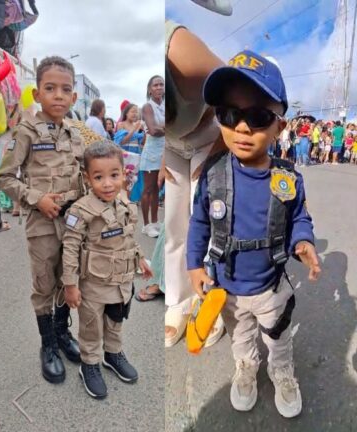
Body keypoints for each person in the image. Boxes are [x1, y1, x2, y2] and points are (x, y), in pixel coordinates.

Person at [189, 49, 321, 418]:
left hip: (270, 286)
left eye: (258, 116)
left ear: (279, 125)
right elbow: (199, 222)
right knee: (241, 338)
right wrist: (193, 266)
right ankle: (246, 369)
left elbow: (298, 217)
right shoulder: (212, 175)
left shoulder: (287, 177)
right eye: (229, 115)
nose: (243, 128)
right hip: (226, 286)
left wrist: (304, 242)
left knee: (277, 338)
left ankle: (281, 372)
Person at [0, 56, 84, 384]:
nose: (58, 96)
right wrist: (37, 199)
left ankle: (62, 333)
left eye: (65, 90)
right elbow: (4, 177)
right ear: (37, 94)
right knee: (45, 284)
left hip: (72, 224)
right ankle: (47, 345)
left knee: (67, 278)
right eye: (50, 88)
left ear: (74, 98)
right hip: (42, 224)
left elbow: (82, 177)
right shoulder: (27, 130)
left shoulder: (75, 133)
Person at [62, 141, 153, 399]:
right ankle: (89, 364)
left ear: (124, 174)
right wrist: (70, 285)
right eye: (99, 177)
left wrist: (141, 259)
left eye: (114, 175)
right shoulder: (81, 210)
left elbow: (128, 239)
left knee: (115, 321)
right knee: (91, 327)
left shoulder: (124, 206)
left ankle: (112, 355)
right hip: (93, 284)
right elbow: (69, 248)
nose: (108, 183)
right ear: (88, 178)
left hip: (121, 283)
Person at [162, 22, 226, 348]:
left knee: (204, 221)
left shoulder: (177, 50)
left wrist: (219, 149)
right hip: (171, 145)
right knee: (174, 223)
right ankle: (177, 300)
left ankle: (208, 298)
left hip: (207, 135)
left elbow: (235, 87)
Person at [140, 75, 166, 238]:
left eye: (161, 84)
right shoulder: (147, 107)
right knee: (148, 188)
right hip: (151, 153)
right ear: (149, 89)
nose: (158, 87)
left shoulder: (165, 106)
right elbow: (153, 130)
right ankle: (146, 224)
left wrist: (160, 127)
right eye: (155, 85)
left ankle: (155, 222)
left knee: (157, 189)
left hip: (163, 152)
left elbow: (158, 129)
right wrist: (162, 128)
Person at [114, 103, 146, 203]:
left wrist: (145, 132)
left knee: (135, 178)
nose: (135, 114)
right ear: (126, 113)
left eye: (136, 112)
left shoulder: (138, 126)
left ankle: (132, 199)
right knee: (125, 176)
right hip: (126, 154)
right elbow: (122, 141)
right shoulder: (121, 124)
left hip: (136, 153)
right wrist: (134, 129)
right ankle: (123, 199)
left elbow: (142, 143)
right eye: (132, 111)